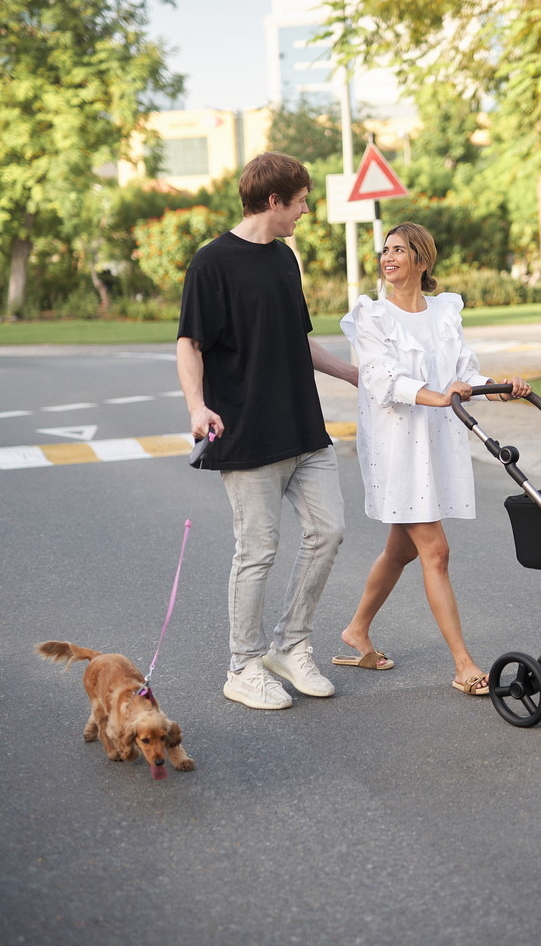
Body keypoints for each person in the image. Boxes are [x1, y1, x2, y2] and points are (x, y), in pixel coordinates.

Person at [176, 151, 358, 712]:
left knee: (328, 531)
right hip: (247, 433)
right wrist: (196, 406)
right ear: (274, 200)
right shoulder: (212, 263)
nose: (305, 210)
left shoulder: (284, 258)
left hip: (304, 428)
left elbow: (298, 339)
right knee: (257, 551)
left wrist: (354, 374)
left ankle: (290, 646)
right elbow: (190, 344)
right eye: (300, 201)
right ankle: (243, 666)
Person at [335, 222, 530, 695]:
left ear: (422, 260)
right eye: (385, 250)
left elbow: (464, 374)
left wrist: (497, 389)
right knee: (435, 552)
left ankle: (357, 630)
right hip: (398, 447)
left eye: (398, 250)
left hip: (437, 443)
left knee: (402, 550)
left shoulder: (444, 312)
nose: (387, 257)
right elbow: (381, 380)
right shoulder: (373, 316)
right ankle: (464, 665)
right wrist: (439, 397)